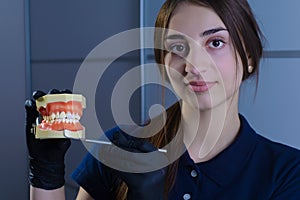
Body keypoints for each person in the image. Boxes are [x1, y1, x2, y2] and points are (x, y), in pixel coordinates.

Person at [25, 0, 300, 199]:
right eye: (178, 48)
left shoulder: (287, 173)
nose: (194, 64)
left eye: (215, 43)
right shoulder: (117, 152)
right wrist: (46, 174)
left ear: (249, 57)